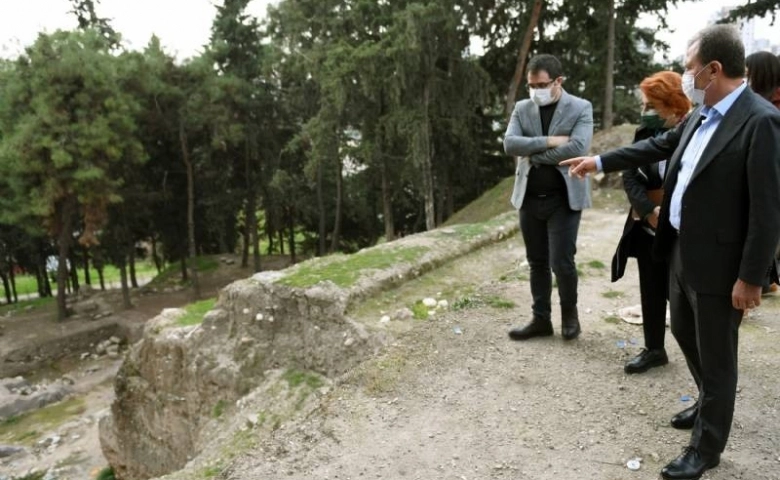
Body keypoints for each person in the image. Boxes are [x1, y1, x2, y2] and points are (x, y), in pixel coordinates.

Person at [562, 25, 780, 480]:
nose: (685, 76)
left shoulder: (760, 121)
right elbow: (659, 145)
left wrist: (752, 278)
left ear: (714, 69)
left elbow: (768, 209)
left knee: (719, 357)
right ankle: (709, 404)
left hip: (723, 267)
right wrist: (599, 161)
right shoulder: (701, 113)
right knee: (682, 330)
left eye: (688, 67)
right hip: (681, 251)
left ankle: (706, 448)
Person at [502, 54, 594, 341]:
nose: (536, 90)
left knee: (562, 262)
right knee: (537, 261)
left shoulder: (580, 107)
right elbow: (510, 144)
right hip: (529, 198)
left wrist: (532, 153)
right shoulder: (522, 108)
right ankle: (541, 319)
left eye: (541, 84)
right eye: (531, 85)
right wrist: (552, 142)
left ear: (558, 81)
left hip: (563, 200)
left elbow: (578, 146)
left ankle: (570, 317)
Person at [612, 72, 691, 374]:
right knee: (651, 288)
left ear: (671, 105)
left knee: (684, 294)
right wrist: (648, 211)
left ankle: (703, 357)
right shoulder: (643, 133)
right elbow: (629, 174)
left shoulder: (692, 133)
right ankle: (654, 349)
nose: (644, 112)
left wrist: (666, 212)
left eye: (651, 105)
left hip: (682, 228)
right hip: (647, 225)